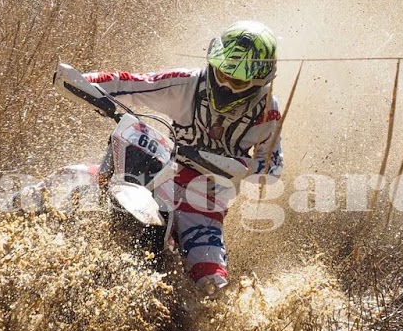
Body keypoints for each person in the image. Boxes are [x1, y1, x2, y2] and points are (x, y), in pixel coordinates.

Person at [22, 20, 283, 293]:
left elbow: (271, 168)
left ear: (258, 82)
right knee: (67, 177)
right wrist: (83, 83)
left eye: (237, 80)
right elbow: (131, 84)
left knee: (210, 284)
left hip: (203, 202)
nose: (226, 84)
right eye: (222, 72)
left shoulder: (268, 112)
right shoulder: (187, 83)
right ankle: (6, 219)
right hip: (162, 168)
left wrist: (228, 165)